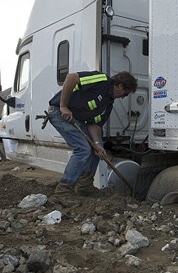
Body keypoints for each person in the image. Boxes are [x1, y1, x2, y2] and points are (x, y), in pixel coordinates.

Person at [47, 70, 138, 207]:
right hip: (59, 113)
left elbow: (93, 124)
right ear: (120, 86)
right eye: (125, 94)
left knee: (94, 148)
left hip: (75, 119)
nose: (123, 97)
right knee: (82, 149)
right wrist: (64, 106)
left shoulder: (108, 104)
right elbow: (71, 77)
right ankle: (63, 191)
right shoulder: (102, 80)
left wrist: (97, 144)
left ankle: (85, 187)